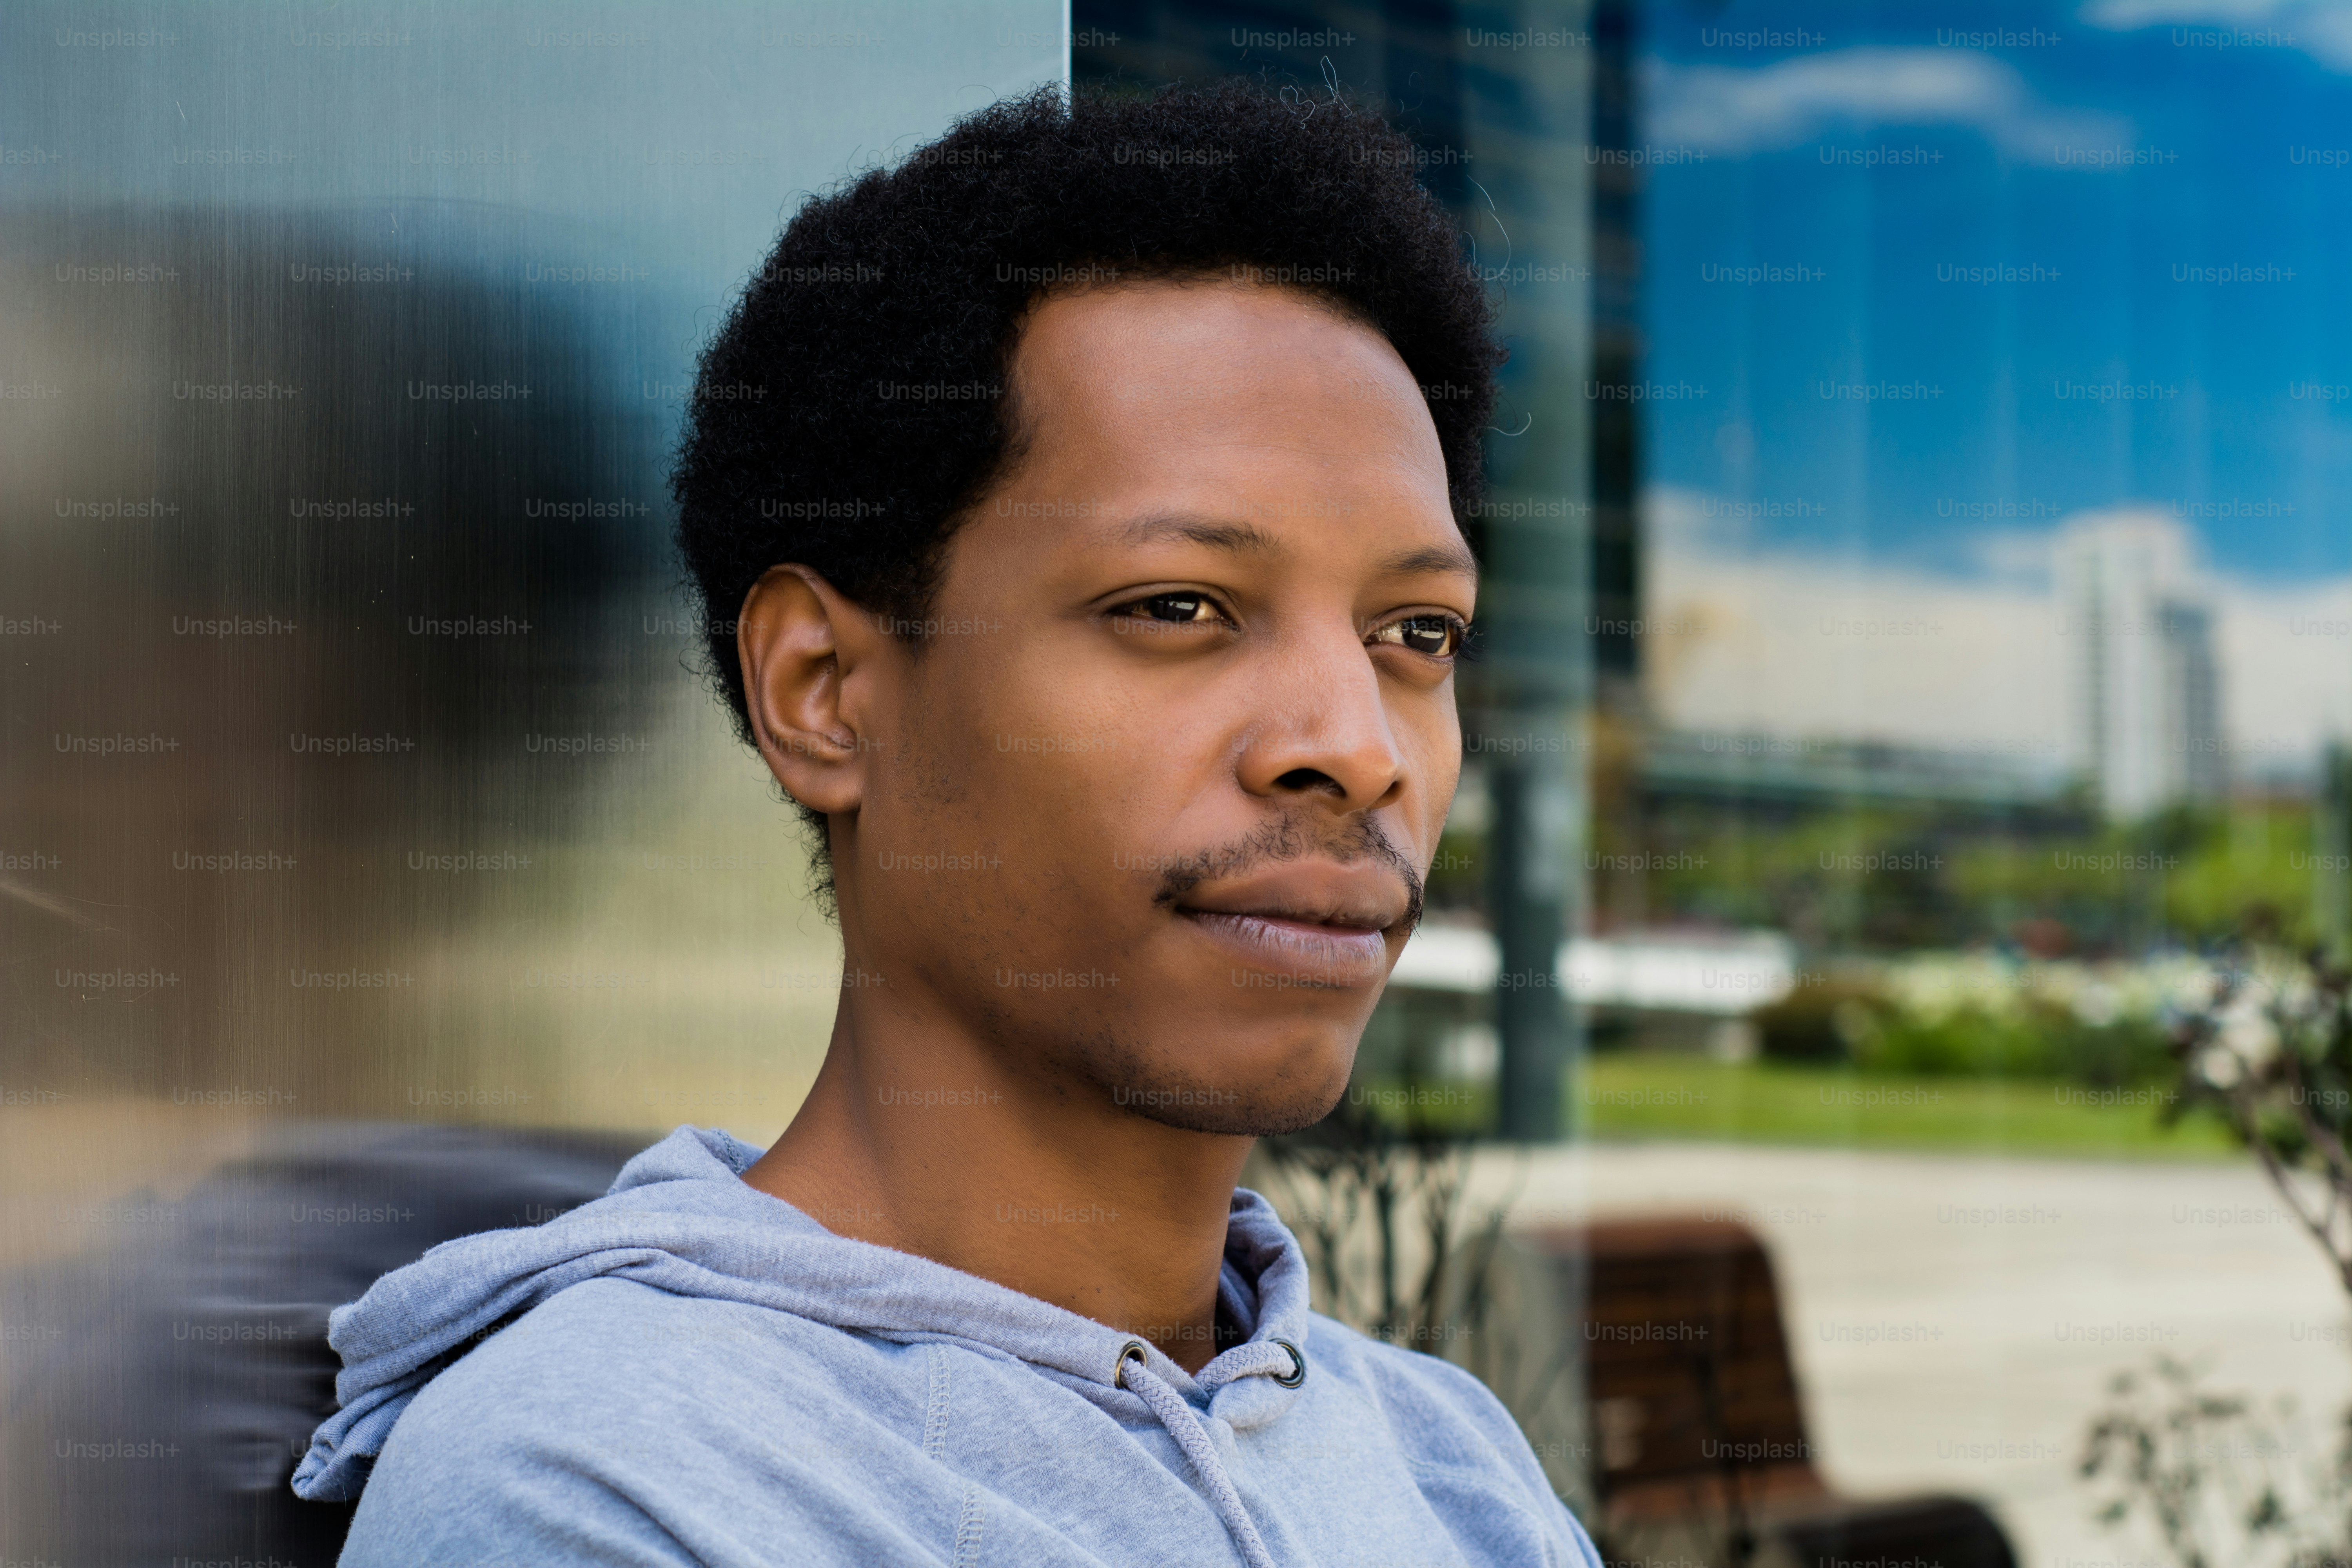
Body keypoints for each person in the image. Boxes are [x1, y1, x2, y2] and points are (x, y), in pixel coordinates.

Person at [294, 81, 1603, 1568]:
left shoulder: (1453, 1463)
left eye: (1418, 633)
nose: (1358, 749)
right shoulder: (617, 1484)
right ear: (824, 692)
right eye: (1178, 607)